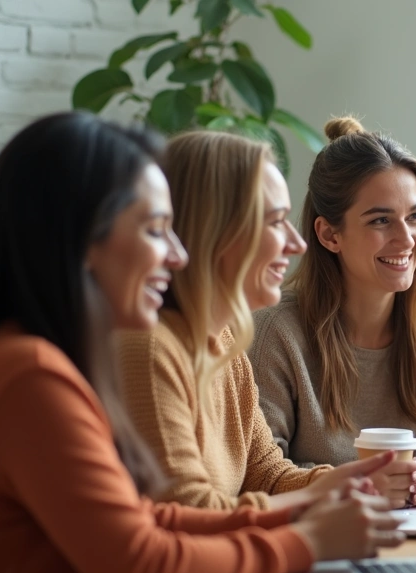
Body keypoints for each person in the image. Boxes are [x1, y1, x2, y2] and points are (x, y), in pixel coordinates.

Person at [0, 113, 402, 573]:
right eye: (153, 230)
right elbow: (140, 566)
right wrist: (308, 541)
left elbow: (147, 520)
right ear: (80, 239)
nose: (178, 254)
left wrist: (310, 502)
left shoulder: (41, 362)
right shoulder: (27, 376)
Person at [117, 131, 374, 510]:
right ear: (214, 231)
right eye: (274, 221)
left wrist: (359, 481)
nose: (297, 244)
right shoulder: (150, 348)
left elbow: (267, 476)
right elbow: (190, 511)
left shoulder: (225, 344)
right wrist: (320, 508)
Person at [250, 116, 416, 508]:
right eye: (380, 220)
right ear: (329, 235)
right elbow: (260, 475)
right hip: (322, 540)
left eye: (415, 217)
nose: (406, 239)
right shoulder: (277, 331)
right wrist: (364, 486)